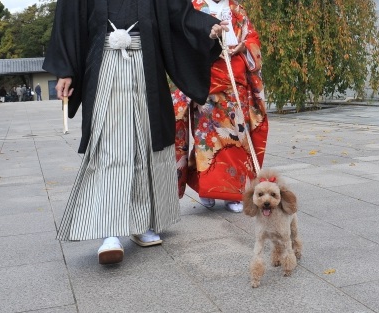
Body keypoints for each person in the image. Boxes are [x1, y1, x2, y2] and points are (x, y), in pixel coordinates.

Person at [42, 0, 228, 264]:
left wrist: (206, 27)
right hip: (104, 64)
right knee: (109, 145)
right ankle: (110, 232)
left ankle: (143, 224)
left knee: (146, 144)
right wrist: (66, 71)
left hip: (146, 66)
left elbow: (178, 13)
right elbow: (69, 20)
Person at [172, 0, 269, 212]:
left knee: (237, 138)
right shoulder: (194, 7)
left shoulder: (236, 8)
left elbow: (252, 36)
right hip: (206, 80)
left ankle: (235, 194)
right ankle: (208, 190)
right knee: (206, 139)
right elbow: (183, 39)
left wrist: (244, 46)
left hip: (235, 79)